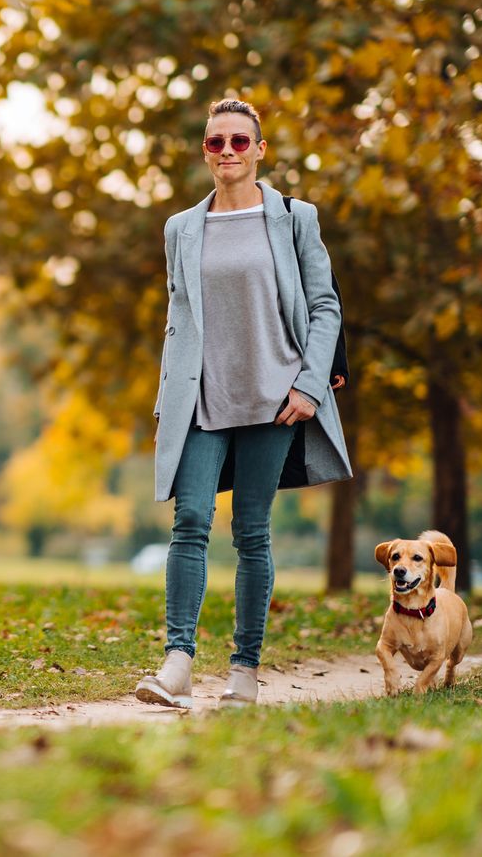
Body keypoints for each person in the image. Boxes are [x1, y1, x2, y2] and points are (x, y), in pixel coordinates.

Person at [135, 99, 352, 710]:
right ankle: (177, 664)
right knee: (190, 522)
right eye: (214, 143)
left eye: (238, 142)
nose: (226, 152)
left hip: (273, 400)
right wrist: (168, 398)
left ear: (259, 150)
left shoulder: (293, 218)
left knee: (252, 533)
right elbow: (179, 319)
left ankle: (244, 673)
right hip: (202, 399)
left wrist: (309, 384)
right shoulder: (181, 228)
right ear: (205, 152)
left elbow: (325, 305)